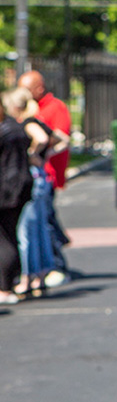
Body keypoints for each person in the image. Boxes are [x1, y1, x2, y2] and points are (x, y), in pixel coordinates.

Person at [2, 87, 69, 297]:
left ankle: (28, 277)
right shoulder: (33, 121)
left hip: (27, 181)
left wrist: (33, 154)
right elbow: (61, 139)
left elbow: (43, 138)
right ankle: (40, 274)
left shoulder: (26, 124)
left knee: (25, 234)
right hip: (38, 179)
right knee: (38, 229)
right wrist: (45, 155)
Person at [17, 70, 72, 283]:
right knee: (45, 220)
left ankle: (56, 266)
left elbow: (61, 137)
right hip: (39, 173)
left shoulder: (54, 107)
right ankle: (51, 264)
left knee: (44, 222)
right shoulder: (31, 108)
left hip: (46, 173)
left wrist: (40, 154)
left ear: (39, 88)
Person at [0, 95, 33, 305]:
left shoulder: (5, 130)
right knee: (10, 234)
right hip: (19, 186)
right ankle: (11, 282)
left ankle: (4, 287)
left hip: (6, 189)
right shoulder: (15, 127)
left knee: (4, 237)